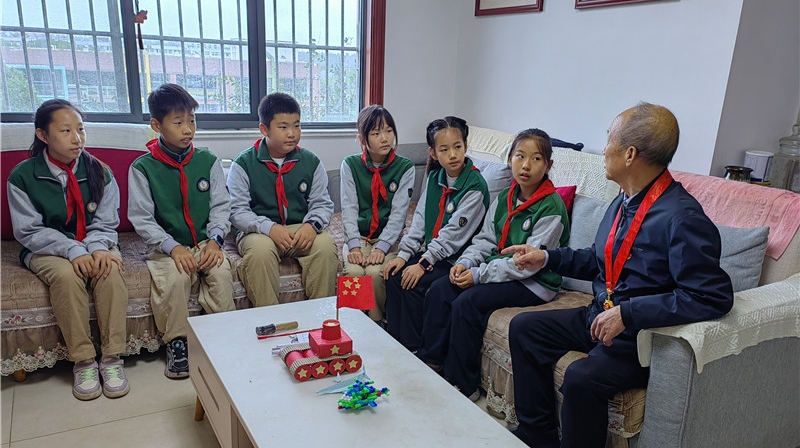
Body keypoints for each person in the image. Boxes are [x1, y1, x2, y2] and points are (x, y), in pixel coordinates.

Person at [502, 102, 734, 448]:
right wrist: (546, 257)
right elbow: (600, 260)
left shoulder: (682, 218)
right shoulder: (623, 199)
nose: (603, 148)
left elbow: (711, 296)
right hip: (601, 315)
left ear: (629, 154)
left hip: (640, 337)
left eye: (609, 138)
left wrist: (628, 314)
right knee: (525, 328)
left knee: (581, 377)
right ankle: (538, 435)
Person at [416, 128, 570, 402]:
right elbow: (486, 239)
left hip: (534, 282)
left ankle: (464, 384)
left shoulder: (552, 207)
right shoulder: (505, 197)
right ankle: (431, 362)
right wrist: (466, 263)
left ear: (548, 165)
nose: (526, 165)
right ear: (510, 159)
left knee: (468, 302)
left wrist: (478, 275)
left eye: (536, 159)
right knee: (441, 289)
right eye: (520, 156)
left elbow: (528, 264)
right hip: (501, 268)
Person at [7, 99, 130, 400]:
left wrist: (97, 248)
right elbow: (28, 230)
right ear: (43, 135)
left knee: (109, 269)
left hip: (95, 241)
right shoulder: (22, 176)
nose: (77, 138)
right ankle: (84, 361)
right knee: (66, 276)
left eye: (80, 129)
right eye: (65, 131)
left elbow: (106, 221)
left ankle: (112, 357)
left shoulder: (100, 171)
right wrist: (72, 250)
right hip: (46, 247)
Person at [128, 83, 235, 379]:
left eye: (191, 120)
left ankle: (223, 334)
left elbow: (221, 206)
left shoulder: (208, 161)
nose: (188, 129)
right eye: (178, 122)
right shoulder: (142, 168)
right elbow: (142, 218)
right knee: (175, 278)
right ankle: (178, 343)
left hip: (205, 242)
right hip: (165, 247)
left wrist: (215, 240)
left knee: (221, 272)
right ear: (156, 125)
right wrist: (172, 247)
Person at [383, 116, 489, 352]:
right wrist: (403, 255)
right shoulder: (434, 178)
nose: (452, 155)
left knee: (413, 282)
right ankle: (395, 344)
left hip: (457, 259)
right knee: (394, 274)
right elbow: (420, 219)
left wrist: (423, 263)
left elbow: (453, 236)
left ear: (465, 146)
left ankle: (412, 350)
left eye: (457, 147)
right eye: (444, 149)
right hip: (436, 255)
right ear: (432, 152)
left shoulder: (475, 186)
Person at [228, 92, 337, 307]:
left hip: (299, 227)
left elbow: (322, 203)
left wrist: (311, 226)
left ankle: (318, 317)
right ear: (264, 129)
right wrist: (269, 228)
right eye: (283, 127)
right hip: (258, 232)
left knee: (325, 246)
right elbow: (237, 211)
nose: (292, 134)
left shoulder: (311, 162)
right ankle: (271, 319)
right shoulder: (243, 164)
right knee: (260, 252)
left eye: (297, 126)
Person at [340, 105, 415, 323]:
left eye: (389, 131)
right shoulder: (350, 164)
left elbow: (399, 214)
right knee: (354, 273)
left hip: (389, 239)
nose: (384, 138)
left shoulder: (405, 167)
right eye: (376, 133)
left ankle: (377, 323)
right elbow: (349, 208)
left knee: (374, 274)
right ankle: (351, 324)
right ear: (362, 139)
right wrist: (354, 245)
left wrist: (382, 247)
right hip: (360, 236)